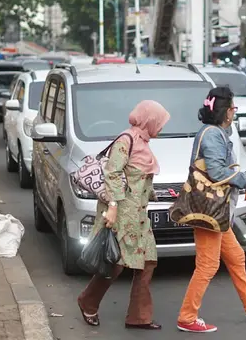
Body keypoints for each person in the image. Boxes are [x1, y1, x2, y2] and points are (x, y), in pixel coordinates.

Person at [176, 87, 246, 333]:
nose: (235, 111)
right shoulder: (212, 134)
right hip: (208, 210)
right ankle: (187, 316)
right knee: (208, 265)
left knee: (236, 257)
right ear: (224, 111)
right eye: (233, 107)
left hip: (216, 211)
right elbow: (216, 172)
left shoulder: (217, 132)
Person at [78, 100, 170, 331]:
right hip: (121, 214)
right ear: (149, 119)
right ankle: (88, 302)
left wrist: (156, 195)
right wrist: (112, 207)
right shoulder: (125, 140)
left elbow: (138, 179)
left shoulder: (144, 143)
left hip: (139, 216)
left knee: (148, 262)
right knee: (114, 263)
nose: (161, 127)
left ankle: (139, 317)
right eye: (159, 122)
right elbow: (113, 174)